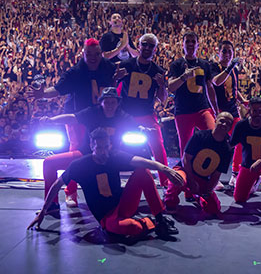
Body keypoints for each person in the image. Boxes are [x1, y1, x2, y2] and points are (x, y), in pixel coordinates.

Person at [28, 127, 184, 240]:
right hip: (106, 217)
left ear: (109, 146)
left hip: (123, 204)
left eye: (105, 147)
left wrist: (166, 170)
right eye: (99, 148)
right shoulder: (80, 165)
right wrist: (43, 211)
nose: (103, 152)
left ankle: (161, 220)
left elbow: (143, 162)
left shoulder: (114, 156)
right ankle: (149, 223)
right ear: (91, 146)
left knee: (143, 172)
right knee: (129, 228)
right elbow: (57, 184)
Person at [26, 39, 120, 206]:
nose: (93, 57)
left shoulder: (109, 67)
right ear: (83, 54)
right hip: (77, 118)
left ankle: (103, 189)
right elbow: (57, 89)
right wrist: (42, 95)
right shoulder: (75, 72)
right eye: (89, 54)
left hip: (98, 116)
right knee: (76, 152)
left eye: (96, 54)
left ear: (101, 54)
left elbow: (114, 86)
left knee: (101, 151)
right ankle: (71, 192)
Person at [38, 87, 136, 214]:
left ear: (117, 103)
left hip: (111, 158)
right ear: (101, 102)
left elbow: (137, 127)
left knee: (143, 169)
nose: (110, 105)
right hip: (86, 155)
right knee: (49, 163)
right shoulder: (92, 112)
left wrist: (145, 130)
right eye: (107, 102)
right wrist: (51, 121)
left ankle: (157, 213)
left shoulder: (123, 116)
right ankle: (52, 204)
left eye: (113, 102)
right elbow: (72, 117)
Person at [117, 34, 170, 186]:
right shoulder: (127, 64)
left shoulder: (158, 70)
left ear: (155, 49)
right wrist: (115, 78)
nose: (147, 48)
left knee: (158, 146)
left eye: (151, 46)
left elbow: (162, 99)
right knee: (111, 143)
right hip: (124, 114)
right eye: (144, 44)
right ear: (138, 46)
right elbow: (111, 88)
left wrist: (162, 85)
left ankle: (165, 183)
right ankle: (109, 181)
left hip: (146, 114)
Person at [163, 112, 234, 215]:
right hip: (185, 171)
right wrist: (191, 181)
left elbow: (217, 174)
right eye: (222, 121)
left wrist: (208, 190)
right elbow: (186, 159)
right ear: (215, 120)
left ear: (230, 127)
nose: (224, 124)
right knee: (177, 178)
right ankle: (170, 200)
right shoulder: (200, 136)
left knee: (213, 209)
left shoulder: (227, 148)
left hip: (202, 177)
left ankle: (196, 197)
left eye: (227, 123)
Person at [168, 31, 219, 160]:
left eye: (193, 41)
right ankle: (187, 176)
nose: (190, 44)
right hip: (183, 111)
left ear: (198, 44)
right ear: (182, 45)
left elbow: (210, 88)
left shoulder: (204, 64)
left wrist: (216, 110)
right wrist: (184, 77)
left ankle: (210, 173)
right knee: (185, 148)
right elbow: (171, 87)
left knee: (214, 138)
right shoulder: (176, 64)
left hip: (202, 109)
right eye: (187, 41)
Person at [230, 96, 261, 220]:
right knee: (239, 198)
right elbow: (230, 144)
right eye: (254, 111)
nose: (257, 114)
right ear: (249, 111)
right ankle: (256, 179)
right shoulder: (241, 125)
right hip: (248, 164)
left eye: (260, 111)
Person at [210, 40, 246, 187]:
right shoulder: (213, 67)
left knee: (240, 139)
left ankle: (235, 173)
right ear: (218, 52)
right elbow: (216, 82)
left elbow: (234, 91)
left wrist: (243, 101)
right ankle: (212, 175)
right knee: (215, 142)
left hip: (232, 109)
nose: (227, 54)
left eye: (230, 51)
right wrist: (230, 67)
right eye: (224, 51)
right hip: (217, 110)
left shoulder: (234, 70)